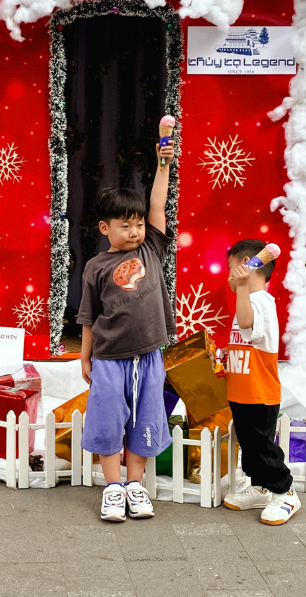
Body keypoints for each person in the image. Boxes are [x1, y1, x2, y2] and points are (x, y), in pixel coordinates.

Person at [78, 142, 177, 523]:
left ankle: (136, 486)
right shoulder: (95, 267)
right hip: (108, 358)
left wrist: (163, 165)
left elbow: (157, 207)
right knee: (107, 419)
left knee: (145, 418)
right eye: (125, 225)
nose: (135, 231)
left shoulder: (151, 247)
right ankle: (113, 488)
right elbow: (88, 316)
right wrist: (85, 356)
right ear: (105, 228)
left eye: (138, 224)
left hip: (149, 355)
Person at [221, 239, 300, 524]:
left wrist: (241, 288)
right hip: (242, 389)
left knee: (262, 446)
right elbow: (243, 342)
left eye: (232, 269)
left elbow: (246, 326)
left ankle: (285, 491)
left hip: (259, 391)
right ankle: (261, 487)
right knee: (249, 444)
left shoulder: (260, 301)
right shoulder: (248, 299)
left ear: (248, 268)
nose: (229, 276)